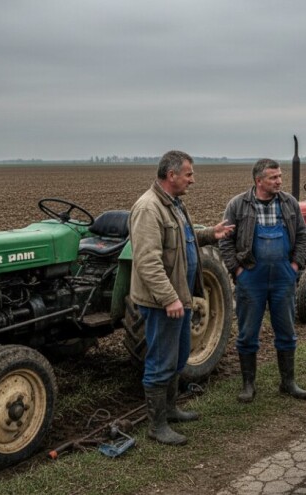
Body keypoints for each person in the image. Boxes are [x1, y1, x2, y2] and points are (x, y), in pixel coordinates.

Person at [129, 150, 234, 445]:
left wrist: (210, 234)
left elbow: (183, 241)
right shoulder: (149, 208)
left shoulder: (174, 204)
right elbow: (148, 262)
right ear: (171, 175)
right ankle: (156, 425)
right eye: (189, 174)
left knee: (178, 357)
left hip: (181, 298)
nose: (192, 180)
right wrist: (169, 298)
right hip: (162, 303)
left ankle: (171, 409)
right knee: (160, 361)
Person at [219, 158, 306, 403]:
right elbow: (225, 241)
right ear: (259, 180)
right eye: (273, 177)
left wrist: (294, 265)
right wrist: (237, 271)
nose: (279, 181)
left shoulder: (289, 203)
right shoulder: (238, 205)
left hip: (283, 279)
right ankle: (248, 385)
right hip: (251, 278)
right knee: (248, 334)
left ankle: (288, 382)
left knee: (287, 331)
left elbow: (302, 236)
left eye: (280, 176)